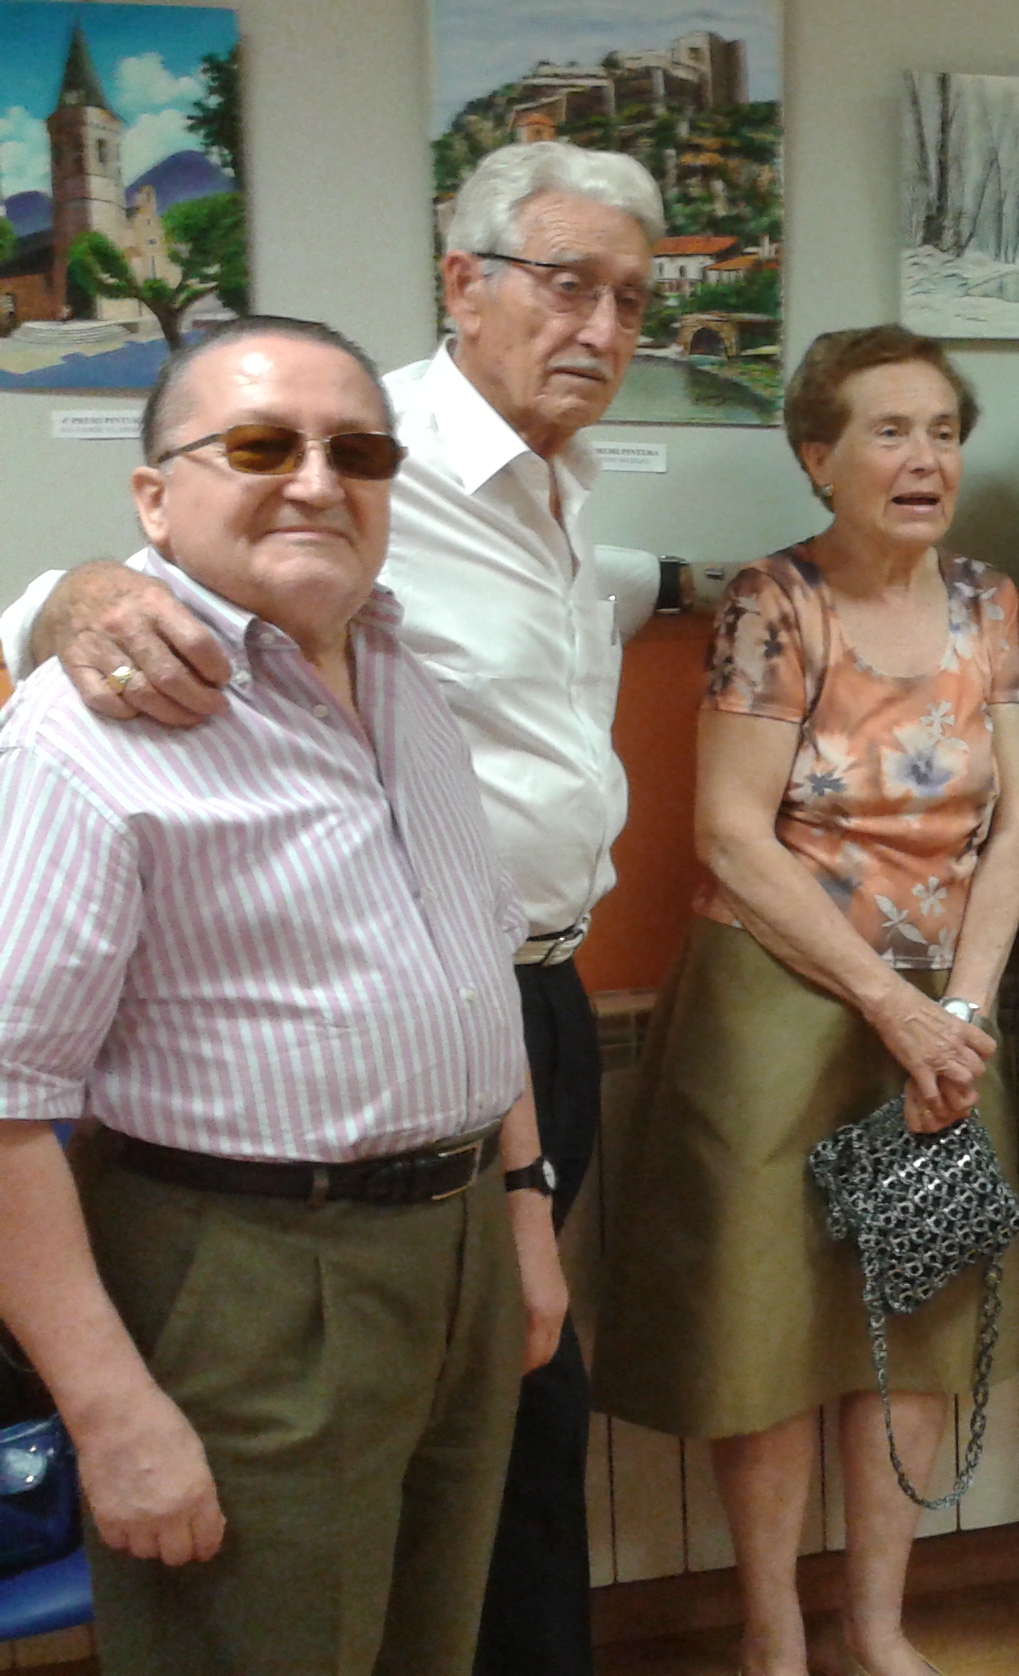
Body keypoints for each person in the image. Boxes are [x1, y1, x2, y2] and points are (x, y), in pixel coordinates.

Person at [0, 142, 668, 1676]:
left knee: (485, 1527)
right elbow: (73, 611)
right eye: (568, 284)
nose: (603, 325)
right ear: (465, 284)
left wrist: (521, 1202)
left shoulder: (434, 617)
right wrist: (76, 601)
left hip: (496, 1084)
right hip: (256, 1225)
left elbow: (469, 915)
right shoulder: (343, 493)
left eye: (631, 298)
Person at [593, 328, 1019, 1676]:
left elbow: (1013, 829)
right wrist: (892, 1009)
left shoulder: (988, 600)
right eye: (889, 432)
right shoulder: (773, 604)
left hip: (942, 1013)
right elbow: (731, 835)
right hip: (776, 1005)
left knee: (919, 1317)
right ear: (817, 457)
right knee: (767, 1333)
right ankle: (773, 1633)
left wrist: (962, 1011)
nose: (923, 458)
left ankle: (878, 1627)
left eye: (942, 431)